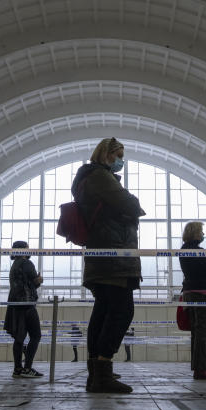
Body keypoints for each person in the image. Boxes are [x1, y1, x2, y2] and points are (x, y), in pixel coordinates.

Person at [74, 137, 145, 394]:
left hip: (102, 257)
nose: (121, 161)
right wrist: (131, 205)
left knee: (103, 311)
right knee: (122, 310)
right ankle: (102, 367)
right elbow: (132, 205)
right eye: (119, 155)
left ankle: (96, 373)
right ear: (107, 154)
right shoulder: (100, 177)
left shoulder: (89, 178)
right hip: (113, 257)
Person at [178, 221, 206, 380]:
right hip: (203, 294)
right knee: (203, 332)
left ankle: (197, 367)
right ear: (195, 233)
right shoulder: (199, 252)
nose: (203, 234)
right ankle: (201, 370)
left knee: (196, 332)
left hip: (189, 293)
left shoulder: (182, 251)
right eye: (201, 231)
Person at [4, 240, 44, 378]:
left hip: (15, 305)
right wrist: (39, 280)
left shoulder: (14, 265)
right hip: (27, 304)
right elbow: (34, 282)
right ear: (22, 250)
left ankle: (17, 369)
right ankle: (27, 368)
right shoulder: (27, 263)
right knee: (36, 335)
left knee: (19, 338)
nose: (29, 250)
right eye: (27, 248)